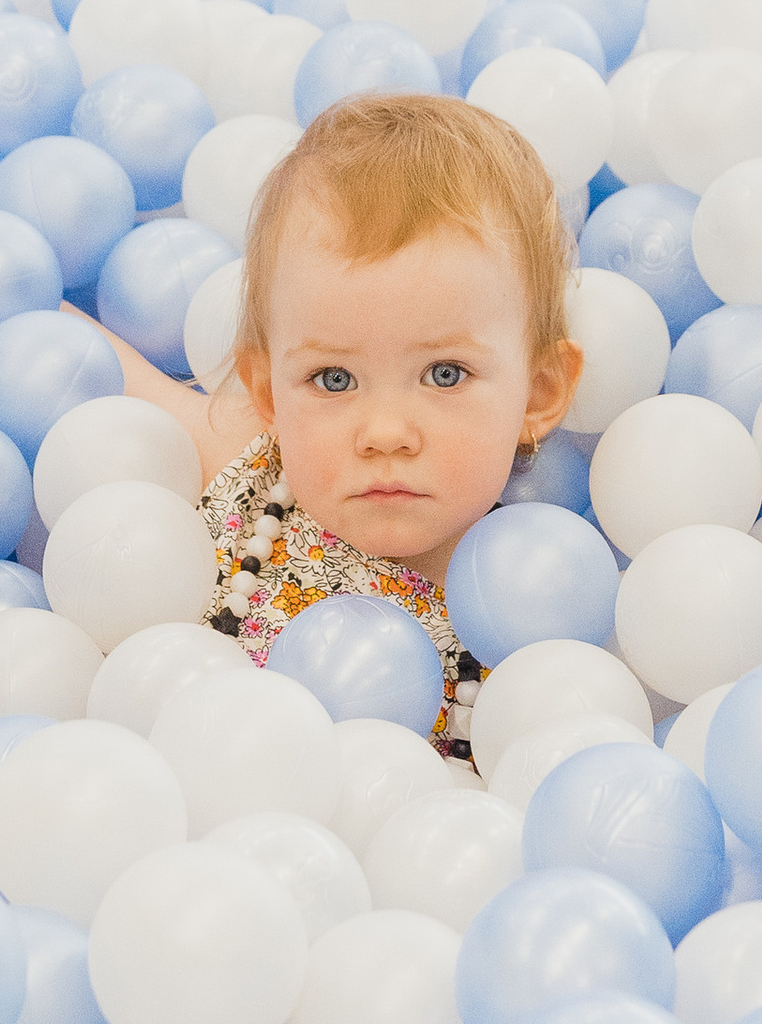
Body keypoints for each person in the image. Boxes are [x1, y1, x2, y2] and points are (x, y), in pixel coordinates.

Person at [90, 93, 583, 754]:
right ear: (269, 393)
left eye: (444, 374)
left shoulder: (533, 614)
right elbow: (104, 379)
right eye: (334, 380)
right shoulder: (256, 481)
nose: (384, 432)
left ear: (539, 393)